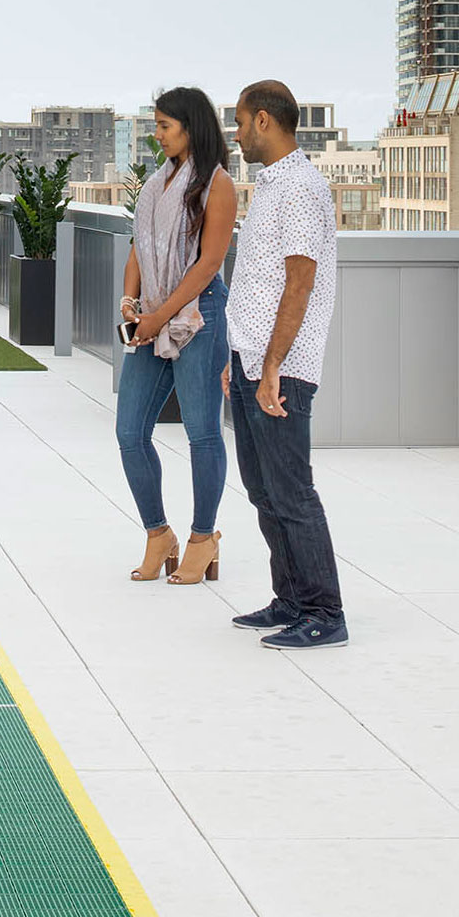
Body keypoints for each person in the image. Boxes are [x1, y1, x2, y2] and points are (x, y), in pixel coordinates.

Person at [224, 80, 347, 649]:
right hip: (251, 359)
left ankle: (324, 612)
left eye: (242, 122)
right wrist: (241, 357)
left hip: (282, 367)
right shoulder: (272, 186)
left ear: (266, 121)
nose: (239, 133)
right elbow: (259, 280)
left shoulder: (298, 187)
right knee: (263, 488)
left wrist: (272, 364)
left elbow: (300, 280)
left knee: (292, 491)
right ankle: (292, 599)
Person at [117, 87, 237, 585]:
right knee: (130, 432)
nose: (157, 133)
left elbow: (209, 263)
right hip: (153, 312)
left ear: (191, 127)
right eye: (157, 124)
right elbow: (139, 249)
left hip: (198, 313)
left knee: (202, 432)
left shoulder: (218, 184)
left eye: (165, 125)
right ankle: (157, 533)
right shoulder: (154, 184)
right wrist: (130, 302)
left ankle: (203, 538)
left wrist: (160, 315)